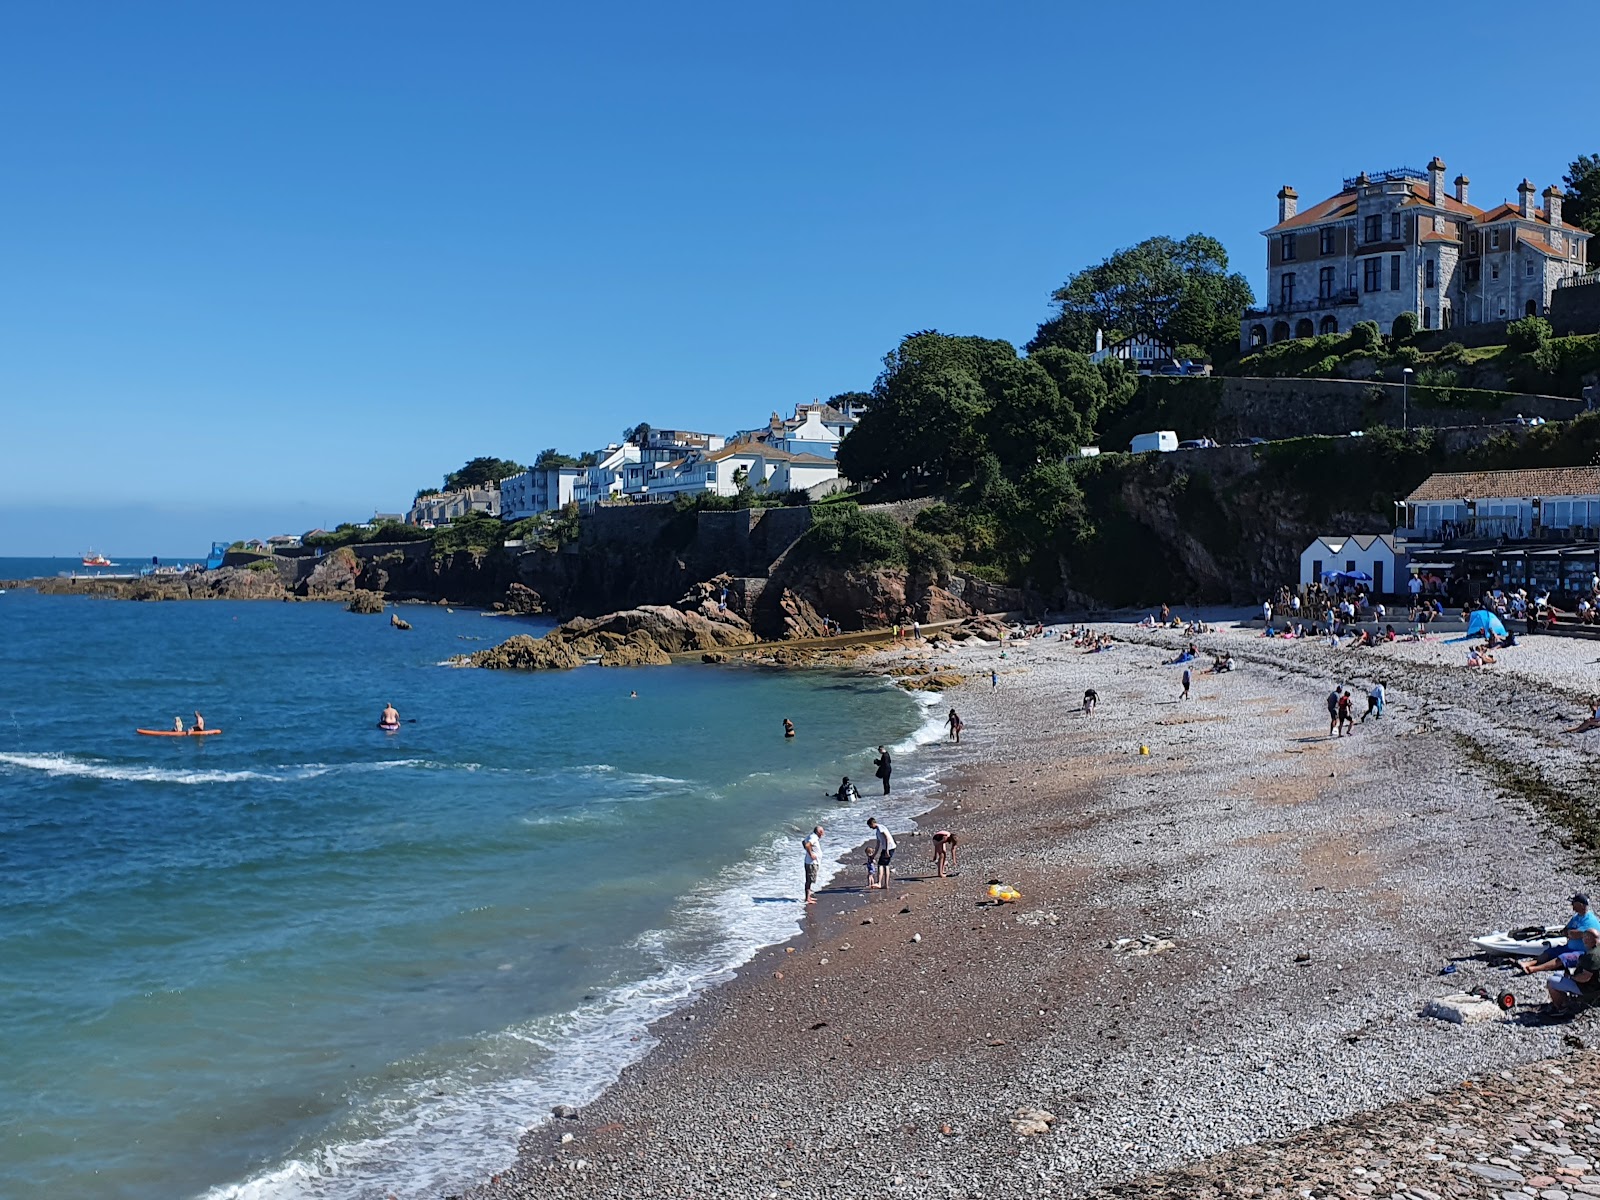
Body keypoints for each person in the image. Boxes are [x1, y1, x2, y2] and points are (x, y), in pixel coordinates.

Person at [1517, 895, 1600, 972]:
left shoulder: (1589, 921)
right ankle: (1530, 963)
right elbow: (1566, 931)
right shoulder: (1577, 916)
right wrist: (1570, 933)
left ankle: (1534, 969)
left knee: (1563, 958)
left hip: (1582, 952)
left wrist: (1571, 933)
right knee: (1550, 951)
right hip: (1569, 947)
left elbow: (1577, 934)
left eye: (1574, 903)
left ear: (1580, 905)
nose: (1572, 905)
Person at [1546, 928, 1600, 1012]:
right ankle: (1566, 1001)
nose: (1583, 940)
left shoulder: (1592, 956)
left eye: (1584, 937)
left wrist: (1572, 977)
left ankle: (1561, 1008)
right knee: (1558, 974)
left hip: (1589, 989)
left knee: (1551, 981)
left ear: (1589, 939)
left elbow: (1585, 977)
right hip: (1594, 984)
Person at [866, 817, 895, 890]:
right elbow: (878, 845)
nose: (870, 828)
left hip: (889, 848)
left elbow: (887, 838)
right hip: (886, 848)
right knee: (886, 865)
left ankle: (879, 883)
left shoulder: (880, 828)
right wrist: (873, 855)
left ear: (872, 823)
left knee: (880, 865)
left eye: (870, 826)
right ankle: (886, 884)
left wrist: (887, 850)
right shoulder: (877, 832)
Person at [802, 826, 823, 906]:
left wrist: (808, 852)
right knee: (809, 880)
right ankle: (807, 898)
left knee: (809, 880)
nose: (823, 834)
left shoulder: (811, 836)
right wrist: (811, 854)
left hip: (810, 862)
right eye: (822, 832)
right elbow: (807, 845)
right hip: (811, 863)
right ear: (819, 832)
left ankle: (808, 897)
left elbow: (803, 842)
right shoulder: (814, 838)